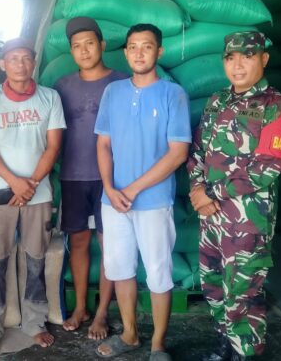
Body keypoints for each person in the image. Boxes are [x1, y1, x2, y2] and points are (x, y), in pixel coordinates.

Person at [188, 31, 281, 361]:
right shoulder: (216, 101)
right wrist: (196, 189)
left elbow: (268, 166)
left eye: (247, 56)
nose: (237, 65)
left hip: (248, 220)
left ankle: (245, 353)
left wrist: (209, 192)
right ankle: (225, 343)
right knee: (212, 284)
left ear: (263, 59)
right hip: (211, 217)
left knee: (243, 292)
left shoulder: (278, 106)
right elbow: (197, 151)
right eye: (230, 57)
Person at [94, 24, 191, 361]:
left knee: (158, 273)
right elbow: (103, 144)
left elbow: (178, 153)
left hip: (153, 201)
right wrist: (110, 188)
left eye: (146, 46)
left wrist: (132, 189)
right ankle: (130, 333)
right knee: (120, 269)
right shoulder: (113, 92)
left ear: (159, 52)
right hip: (114, 201)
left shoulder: (173, 94)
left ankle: (158, 344)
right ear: (125, 53)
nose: (139, 53)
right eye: (133, 46)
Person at [0, 37, 66, 355]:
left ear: (34, 62)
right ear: (3, 64)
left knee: (36, 260)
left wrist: (32, 183)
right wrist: (15, 182)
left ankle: (35, 323)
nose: (20, 64)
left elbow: (53, 146)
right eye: (13, 58)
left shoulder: (50, 97)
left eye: (26, 58)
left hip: (38, 195)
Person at [53, 17, 126, 339]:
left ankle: (102, 312)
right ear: (71, 51)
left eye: (90, 44)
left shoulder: (121, 83)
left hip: (110, 179)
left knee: (109, 244)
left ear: (102, 45)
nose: (84, 51)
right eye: (77, 46)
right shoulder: (62, 86)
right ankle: (81, 307)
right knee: (79, 242)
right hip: (72, 177)